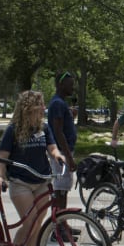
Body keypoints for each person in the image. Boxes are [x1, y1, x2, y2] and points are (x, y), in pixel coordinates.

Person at [0, 90, 65, 246]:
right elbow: (2, 158)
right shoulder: (14, 130)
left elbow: (52, 147)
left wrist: (57, 156)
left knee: (35, 224)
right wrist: (0, 177)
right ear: (29, 108)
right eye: (40, 105)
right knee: (31, 221)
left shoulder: (44, 128)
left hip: (41, 181)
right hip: (20, 182)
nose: (43, 108)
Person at [47, 71, 77, 210]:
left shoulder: (60, 103)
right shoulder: (58, 103)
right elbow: (58, 132)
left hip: (64, 151)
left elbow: (63, 126)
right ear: (60, 84)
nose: (73, 87)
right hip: (61, 153)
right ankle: (59, 225)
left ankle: (61, 223)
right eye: (70, 84)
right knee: (60, 189)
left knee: (63, 189)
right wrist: (69, 157)